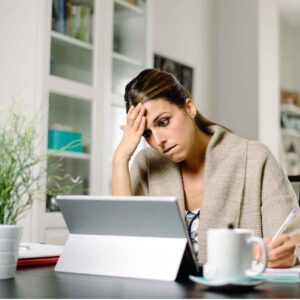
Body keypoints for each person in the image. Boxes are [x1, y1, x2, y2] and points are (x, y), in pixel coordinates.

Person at [112, 68, 300, 267]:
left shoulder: (255, 158)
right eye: (147, 133)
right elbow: (124, 243)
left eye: (164, 122)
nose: (159, 141)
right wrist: (120, 160)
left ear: (189, 107)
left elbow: (295, 238)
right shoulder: (146, 164)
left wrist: (290, 253)